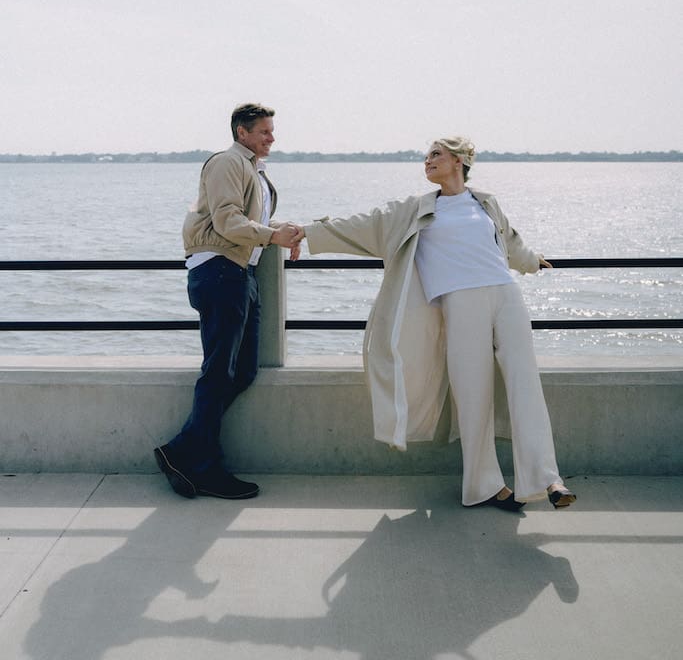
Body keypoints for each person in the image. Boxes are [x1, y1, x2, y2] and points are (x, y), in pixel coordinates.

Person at [295, 136, 576, 511]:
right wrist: (306, 232)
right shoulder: (415, 209)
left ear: (459, 161)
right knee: (472, 396)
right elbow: (365, 225)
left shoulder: (485, 202)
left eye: (435, 154)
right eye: (426, 156)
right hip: (460, 304)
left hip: (506, 295)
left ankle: (547, 479)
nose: (427, 160)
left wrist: (531, 260)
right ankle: (484, 486)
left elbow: (509, 241)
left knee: (525, 384)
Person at [155, 102, 301, 500]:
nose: (272, 138)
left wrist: (279, 232)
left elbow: (245, 221)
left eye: (272, 131)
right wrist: (272, 237)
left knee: (242, 372)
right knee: (220, 371)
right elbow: (226, 221)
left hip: (240, 273)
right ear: (242, 132)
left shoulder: (254, 169)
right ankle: (203, 465)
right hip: (220, 271)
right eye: (264, 131)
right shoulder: (227, 163)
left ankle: (182, 449)